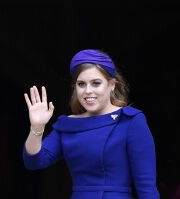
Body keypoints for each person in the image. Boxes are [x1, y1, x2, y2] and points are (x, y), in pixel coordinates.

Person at [23, 49, 160, 199]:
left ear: (112, 85)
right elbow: (34, 161)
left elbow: (146, 187)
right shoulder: (67, 124)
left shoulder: (130, 120)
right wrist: (37, 127)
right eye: (81, 84)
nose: (88, 91)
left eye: (96, 83)